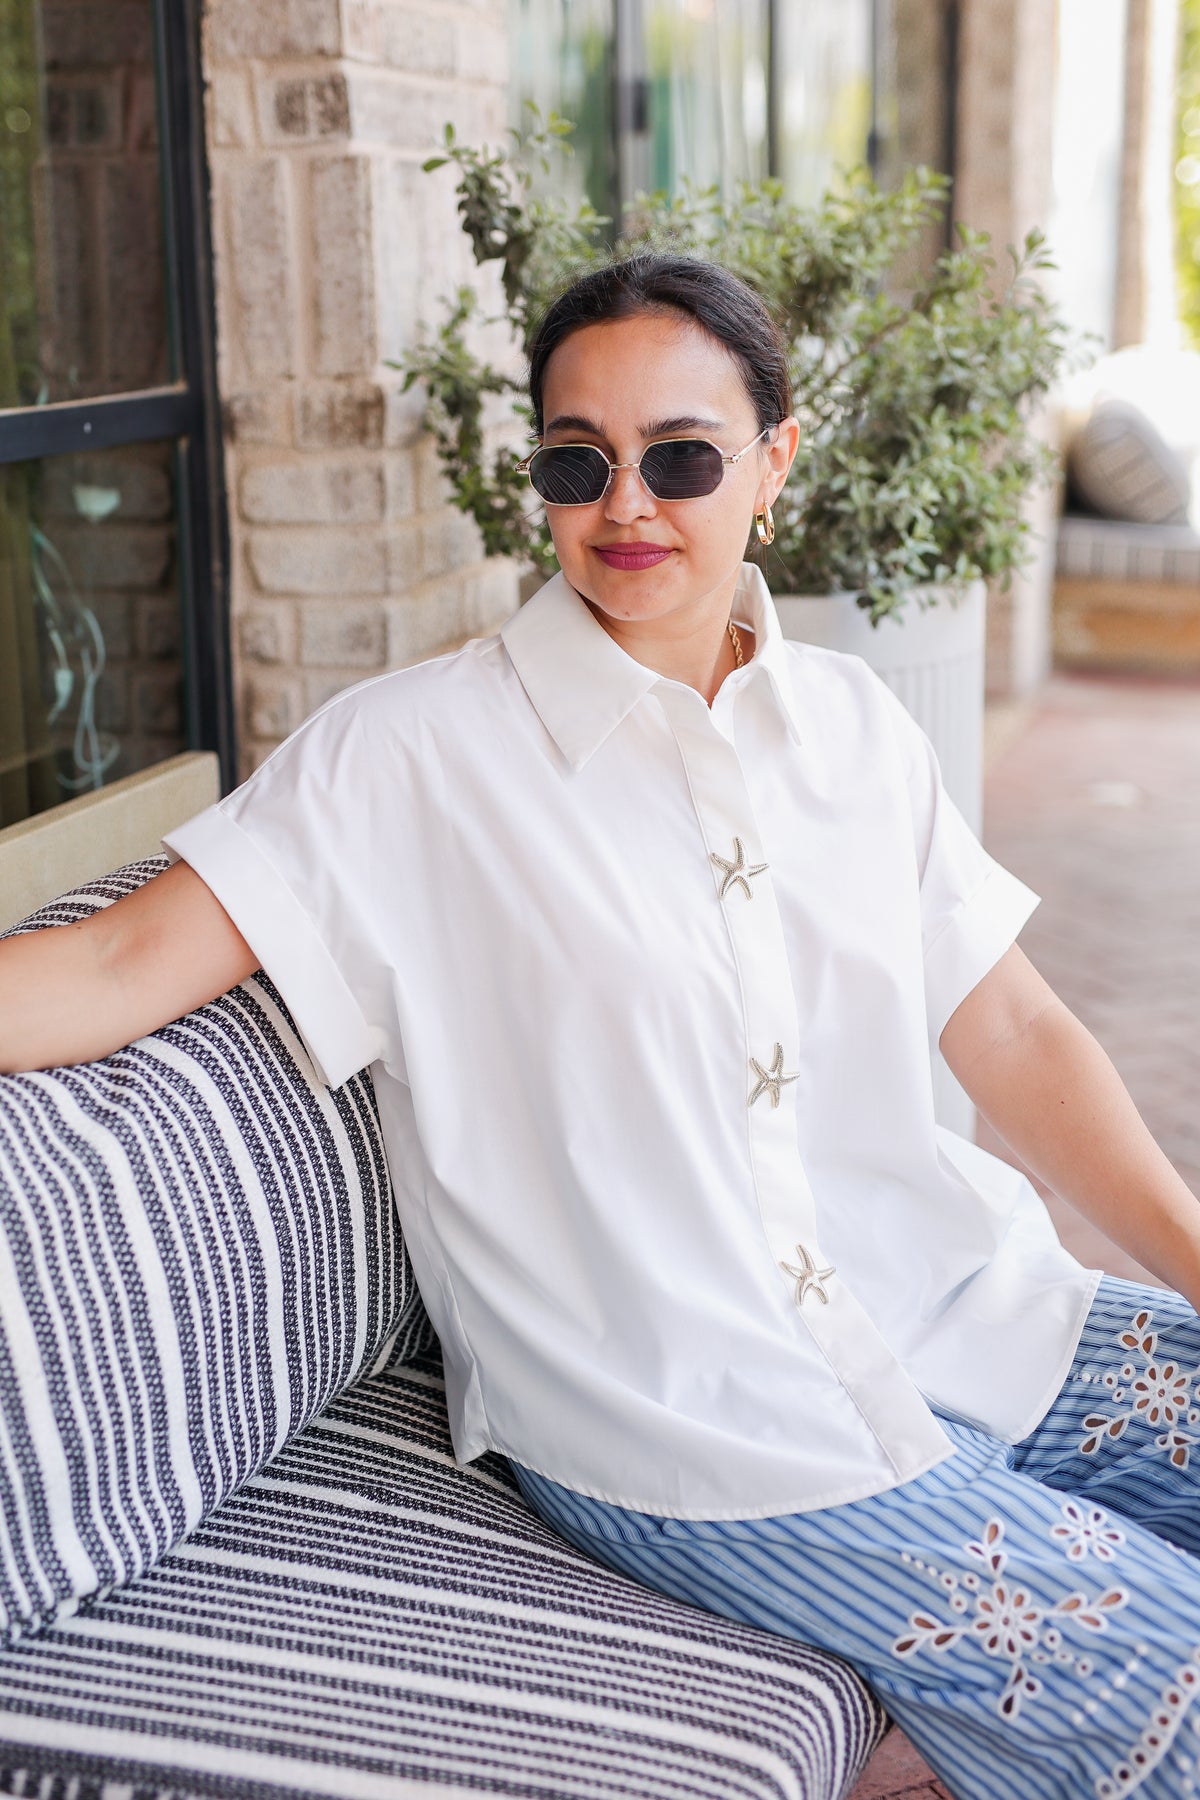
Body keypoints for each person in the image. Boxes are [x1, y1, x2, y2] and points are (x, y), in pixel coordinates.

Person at [3, 253, 1200, 1800]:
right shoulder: (410, 759)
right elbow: (108, 969)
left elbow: (1017, 1030)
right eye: (579, 461)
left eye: (683, 457)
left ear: (776, 460)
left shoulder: (852, 727)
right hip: (688, 1420)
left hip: (965, 1309)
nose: (627, 503)